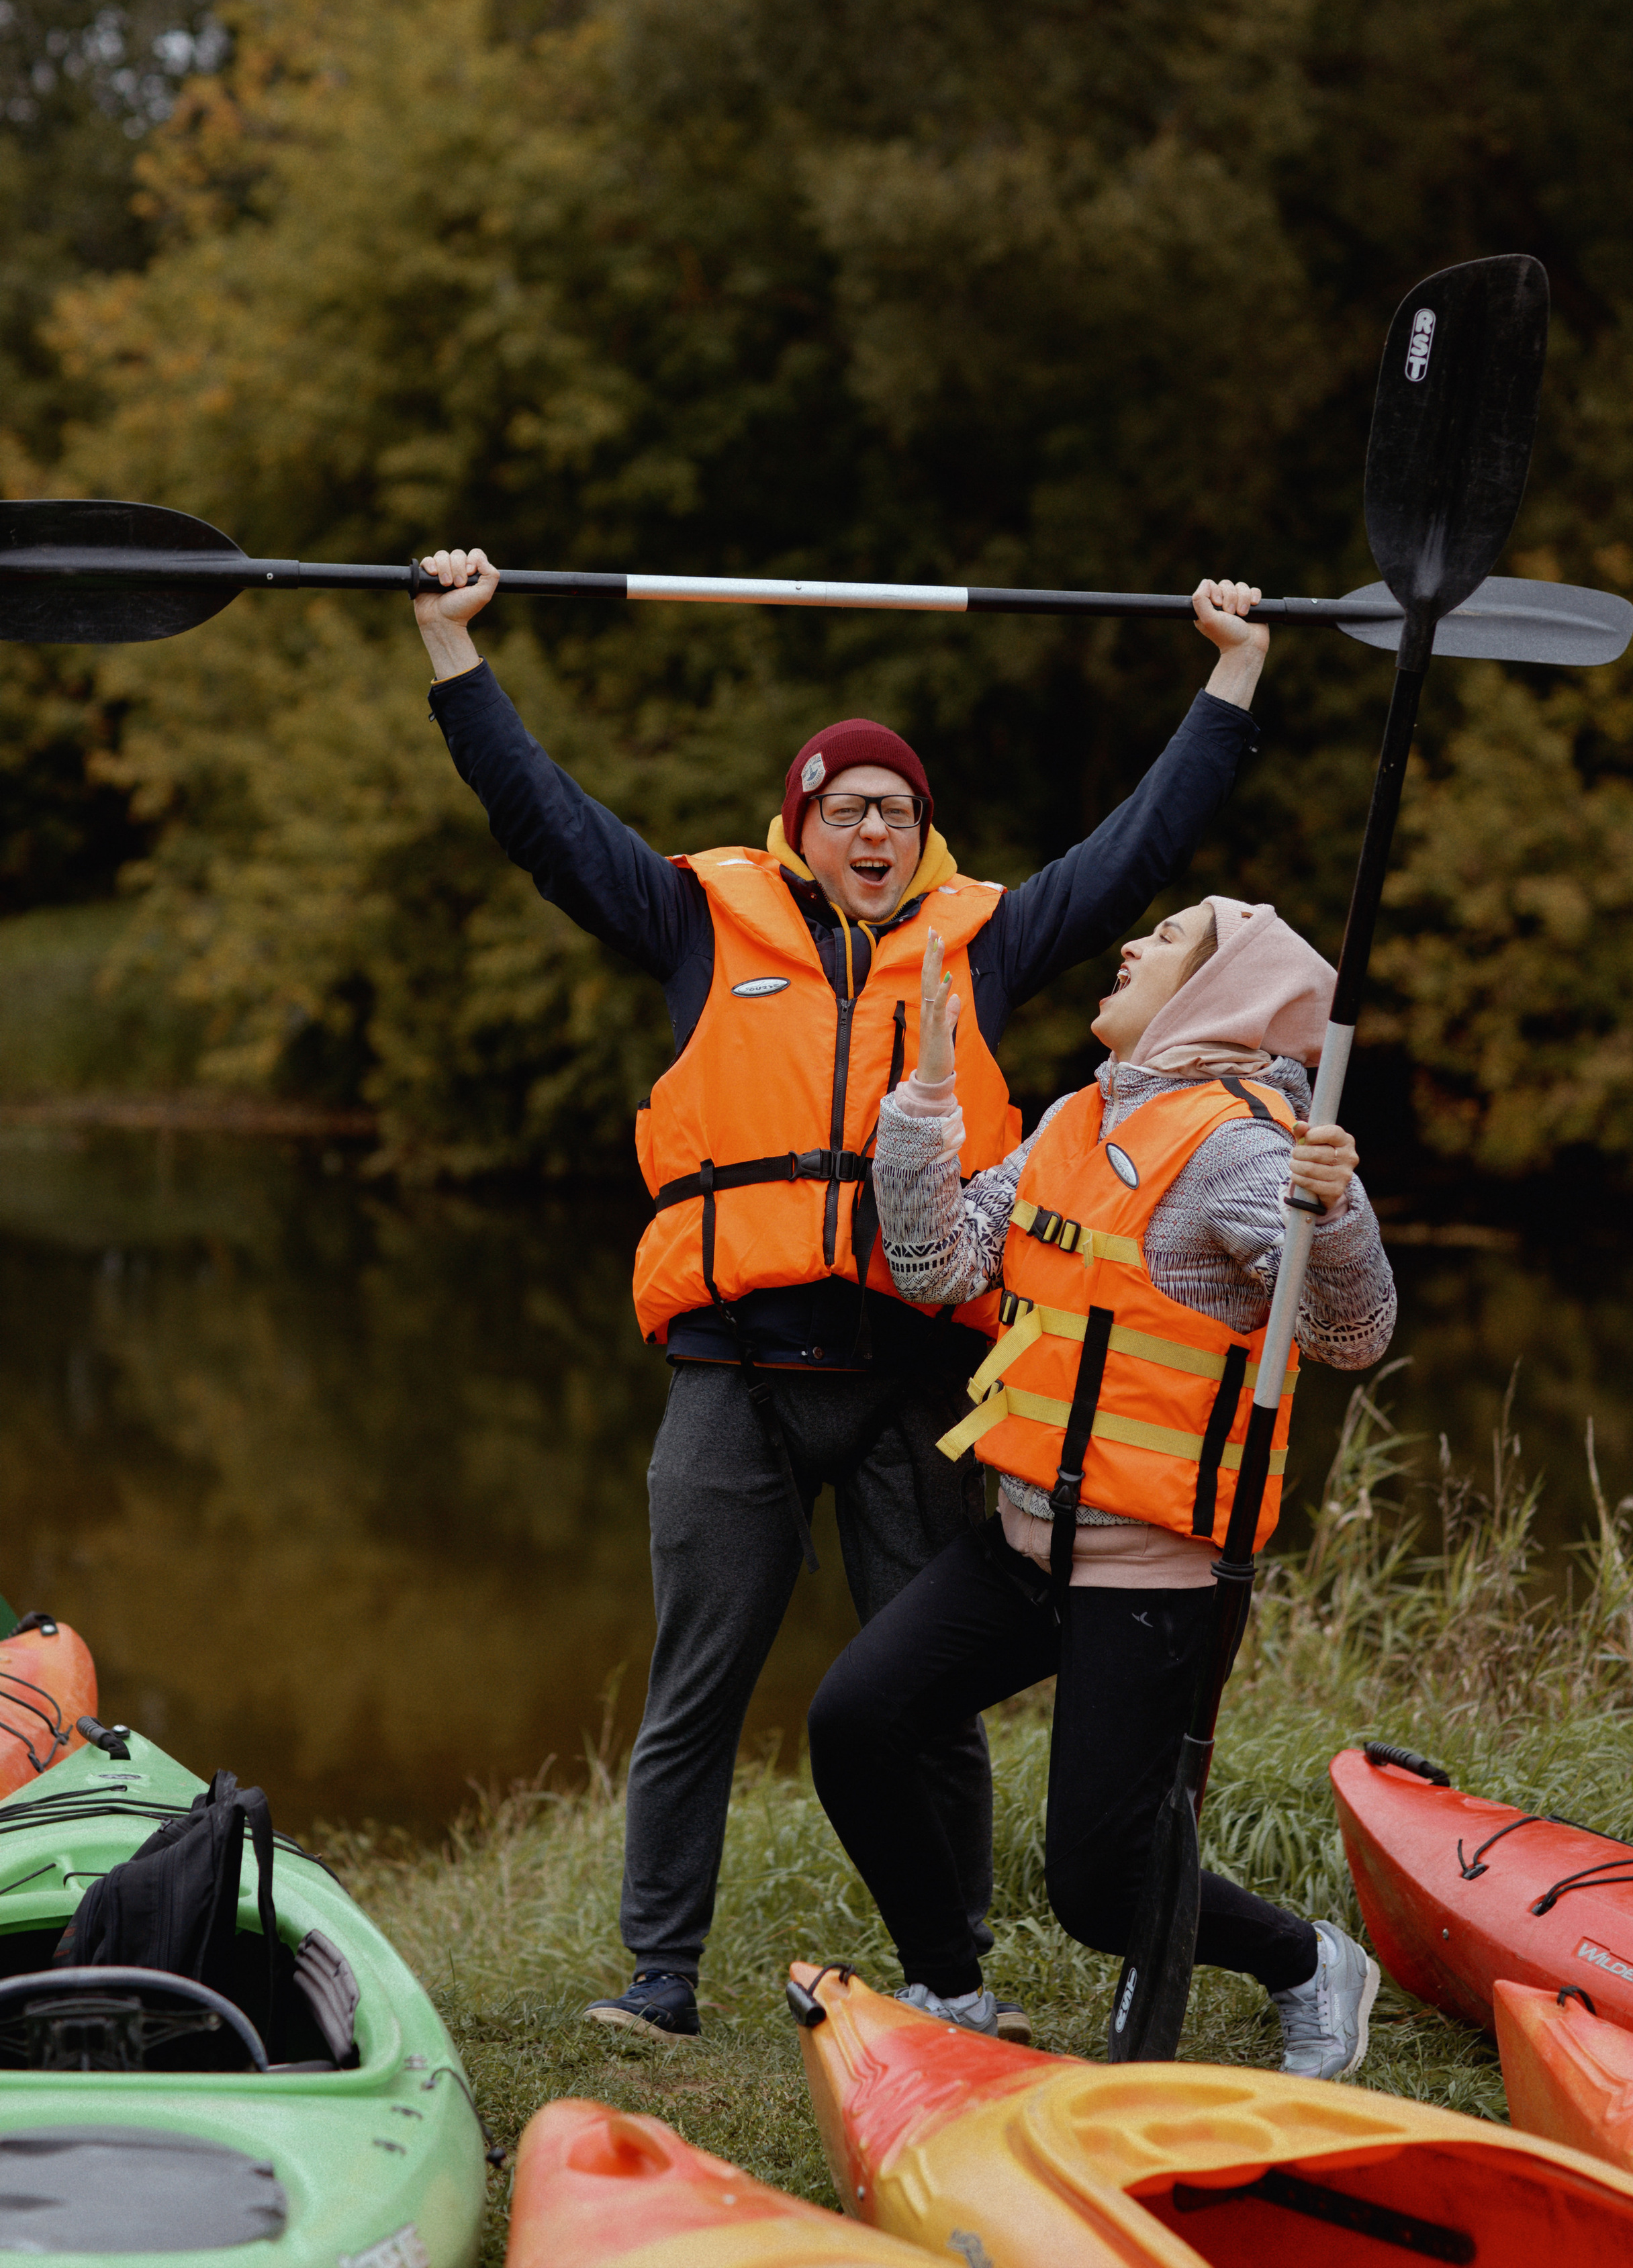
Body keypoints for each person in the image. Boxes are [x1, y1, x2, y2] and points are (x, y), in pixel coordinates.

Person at [412, 550, 1274, 2045]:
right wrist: (451, 650)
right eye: (845, 808)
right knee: (696, 1685)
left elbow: (1138, 848)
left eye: (897, 812)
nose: (873, 830)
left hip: (913, 1380)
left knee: (924, 1698)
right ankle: (660, 1979)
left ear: (923, 836)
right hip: (735, 1375)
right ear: (798, 825)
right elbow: (543, 820)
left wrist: (1233, 675)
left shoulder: (987, 942)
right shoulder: (698, 919)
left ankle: (959, 1973)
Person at [806, 892, 1397, 2075]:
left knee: (1098, 1889)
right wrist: (924, 1104)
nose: (1130, 944)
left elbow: (1353, 1332)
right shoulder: (1077, 1118)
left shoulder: (1244, 1147)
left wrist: (1337, 1214)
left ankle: (1307, 1960)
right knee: (857, 1721)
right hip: (1024, 1540)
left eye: (1168, 938)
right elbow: (936, 1266)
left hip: (1152, 1568)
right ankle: (952, 1989)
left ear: (1219, 993)